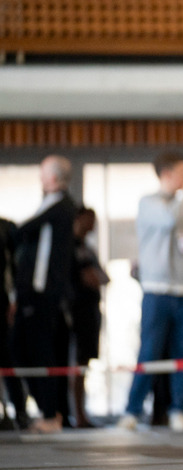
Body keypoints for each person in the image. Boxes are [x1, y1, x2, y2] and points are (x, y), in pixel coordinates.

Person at [119, 151, 183, 433]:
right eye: (182, 172)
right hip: (157, 290)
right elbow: (169, 220)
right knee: (150, 351)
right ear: (167, 174)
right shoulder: (149, 203)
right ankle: (132, 411)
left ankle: (178, 409)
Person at [10, 155, 77, 433]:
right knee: (22, 350)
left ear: (54, 178)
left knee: (42, 352)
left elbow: (26, 228)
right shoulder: (50, 204)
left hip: (44, 294)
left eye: (43, 173)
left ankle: (51, 413)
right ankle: (47, 410)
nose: (40, 178)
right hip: (31, 293)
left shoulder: (62, 206)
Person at [69, 207, 107, 428]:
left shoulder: (87, 249)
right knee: (76, 363)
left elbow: (101, 277)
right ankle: (76, 414)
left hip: (91, 310)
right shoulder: (70, 247)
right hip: (76, 311)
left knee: (85, 364)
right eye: (89, 219)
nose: (93, 224)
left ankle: (81, 413)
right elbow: (87, 277)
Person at [0, 215, 29, 431]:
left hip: (3, 302)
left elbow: (15, 267)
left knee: (7, 357)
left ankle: (19, 410)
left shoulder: (6, 228)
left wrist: (14, 299)